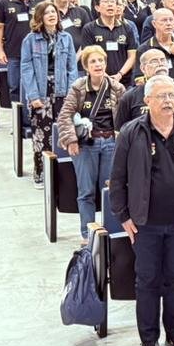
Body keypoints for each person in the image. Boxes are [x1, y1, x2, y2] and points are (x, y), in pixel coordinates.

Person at [109, 76, 174, 346]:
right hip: (145, 224)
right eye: (162, 96)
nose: (168, 101)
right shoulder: (131, 132)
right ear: (147, 101)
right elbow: (117, 179)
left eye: (172, 96)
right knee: (147, 281)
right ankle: (148, 338)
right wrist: (123, 217)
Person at [56, 47, 125, 240]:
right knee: (86, 191)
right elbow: (65, 116)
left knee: (110, 190)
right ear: (86, 66)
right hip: (86, 145)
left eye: (101, 61)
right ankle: (87, 235)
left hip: (111, 143)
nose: (98, 65)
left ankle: (111, 232)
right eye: (93, 61)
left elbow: (125, 118)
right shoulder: (78, 87)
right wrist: (71, 140)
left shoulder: (117, 88)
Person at [20, 1, 78, 188]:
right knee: (41, 136)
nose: (52, 15)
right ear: (40, 17)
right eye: (47, 13)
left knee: (63, 132)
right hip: (41, 91)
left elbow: (72, 68)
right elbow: (26, 69)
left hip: (62, 90)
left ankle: (62, 175)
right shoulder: (30, 39)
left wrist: (72, 93)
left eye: (54, 12)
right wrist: (33, 96)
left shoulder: (66, 38)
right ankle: (40, 173)